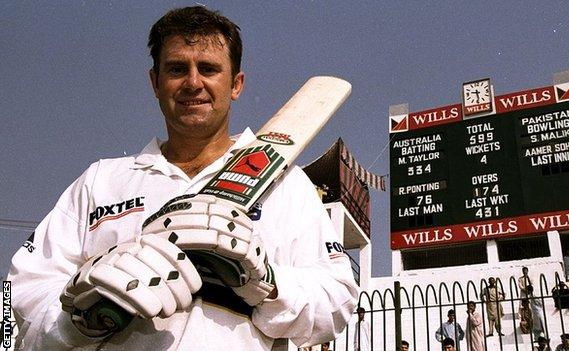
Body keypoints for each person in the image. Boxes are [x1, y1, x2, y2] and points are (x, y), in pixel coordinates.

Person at [6, 6, 359, 350]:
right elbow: (23, 289)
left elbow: (337, 300)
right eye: (177, 69)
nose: (193, 83)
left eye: (208, 68)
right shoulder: (101, 181)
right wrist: (80, 315)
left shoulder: (286, 184)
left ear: (235, 84)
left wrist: (266, 281)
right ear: (155, 83)